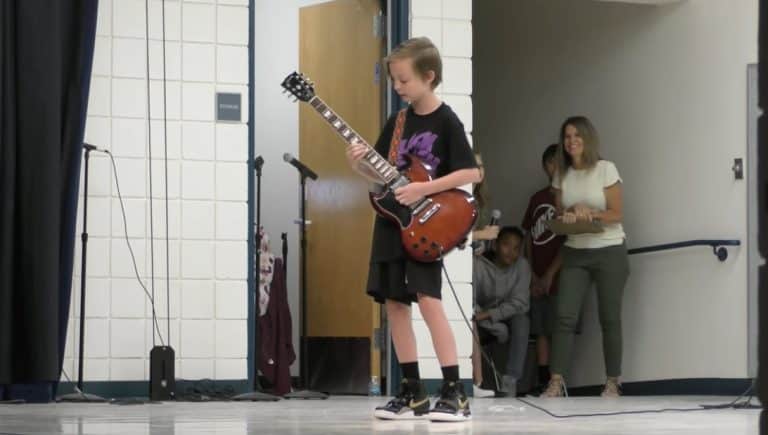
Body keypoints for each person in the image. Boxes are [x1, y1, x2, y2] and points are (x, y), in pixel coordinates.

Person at [346, 36, 481, 421]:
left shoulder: (446, 120)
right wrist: (357, 162)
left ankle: (455, 391)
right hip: (391, 220)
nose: (397, 87)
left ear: (429, 76)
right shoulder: (398, 121)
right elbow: (378, 172)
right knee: (394, 304)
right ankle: (412, 391)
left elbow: (471, 172)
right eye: (393, 80)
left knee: (428, 301)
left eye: (403, 80)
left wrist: (424, 188)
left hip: (426, 223)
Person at [541, 116, 629, 398]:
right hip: (575, 252)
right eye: (567, 136)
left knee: (610, 318)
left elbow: (616, 214)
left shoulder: (606, 169)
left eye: (577, 135)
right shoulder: (561, 174)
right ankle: (556, 382)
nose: (571, 141)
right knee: (564, 317)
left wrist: (587, 211)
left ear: (588, 138)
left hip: (609, 250)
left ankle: (613, 382)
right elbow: (557, 215)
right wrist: (567, 214)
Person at [521, 144, 565, 393]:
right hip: (537, 275)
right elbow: (527, 237)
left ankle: (557, 380)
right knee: (540, 330)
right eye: (550, 163)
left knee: (559, 328)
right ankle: (542, 379)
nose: (554, 167)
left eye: (558, 162)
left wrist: (550, 274)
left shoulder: (569, 198)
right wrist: (533, 275)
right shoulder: (537, 199)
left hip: (560, 276)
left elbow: (570, 241)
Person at [471, 227, 531, 398]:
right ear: (496, 245)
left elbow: (520, 304)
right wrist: (485, 317)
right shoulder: (478, 263)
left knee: (523, 321)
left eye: (516, 248)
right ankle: (475, 381)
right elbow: (469, 298)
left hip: (504, 316)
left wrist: (491, 314)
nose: (511, 252)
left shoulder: (522, 266)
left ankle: (510, 379)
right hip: (480, 318)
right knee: (468, 324)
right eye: (506, 245)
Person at [471, 153, 500, 254]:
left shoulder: (477, 198)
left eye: (480, 166)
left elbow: (469, 239)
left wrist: (479, 244)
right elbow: (452, 237)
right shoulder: (455, 198)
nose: (478, 170)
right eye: (473, 166)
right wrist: (481, 234)